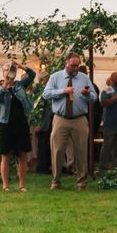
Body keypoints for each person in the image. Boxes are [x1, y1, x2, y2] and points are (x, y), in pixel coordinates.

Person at [43, 51, 96, 189]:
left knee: (81, 150)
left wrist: (87, 94)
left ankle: (82, 182)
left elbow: (94, 97)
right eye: (73, 65)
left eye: (78, 65)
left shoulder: (84, 78)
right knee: (58, 149)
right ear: (66, 64)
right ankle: (56, 181)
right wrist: (62, 91)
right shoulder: (56, 77)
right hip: (60, 118)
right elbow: (46, 94)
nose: (76, 68)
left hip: (79, 119)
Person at [0, 62, 36, 192]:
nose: (9, 72)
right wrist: (6, 84)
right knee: (6, 154)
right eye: (6, 70)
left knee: (22, 154)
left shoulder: (20, 85)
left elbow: (33, 75)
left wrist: (20, 66)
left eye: (10, 69)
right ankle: (5, 185)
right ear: (2, 73)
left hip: (21, 122)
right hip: (6, 123)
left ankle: (22, 185)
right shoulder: (0, 88)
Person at [96, 71, 117, 169]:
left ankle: (115, 169)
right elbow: (103, 103)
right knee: (107, 147)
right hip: (109, 124)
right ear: (113, 80)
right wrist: (116, 98)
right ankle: (103, 168)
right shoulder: (107, 90)